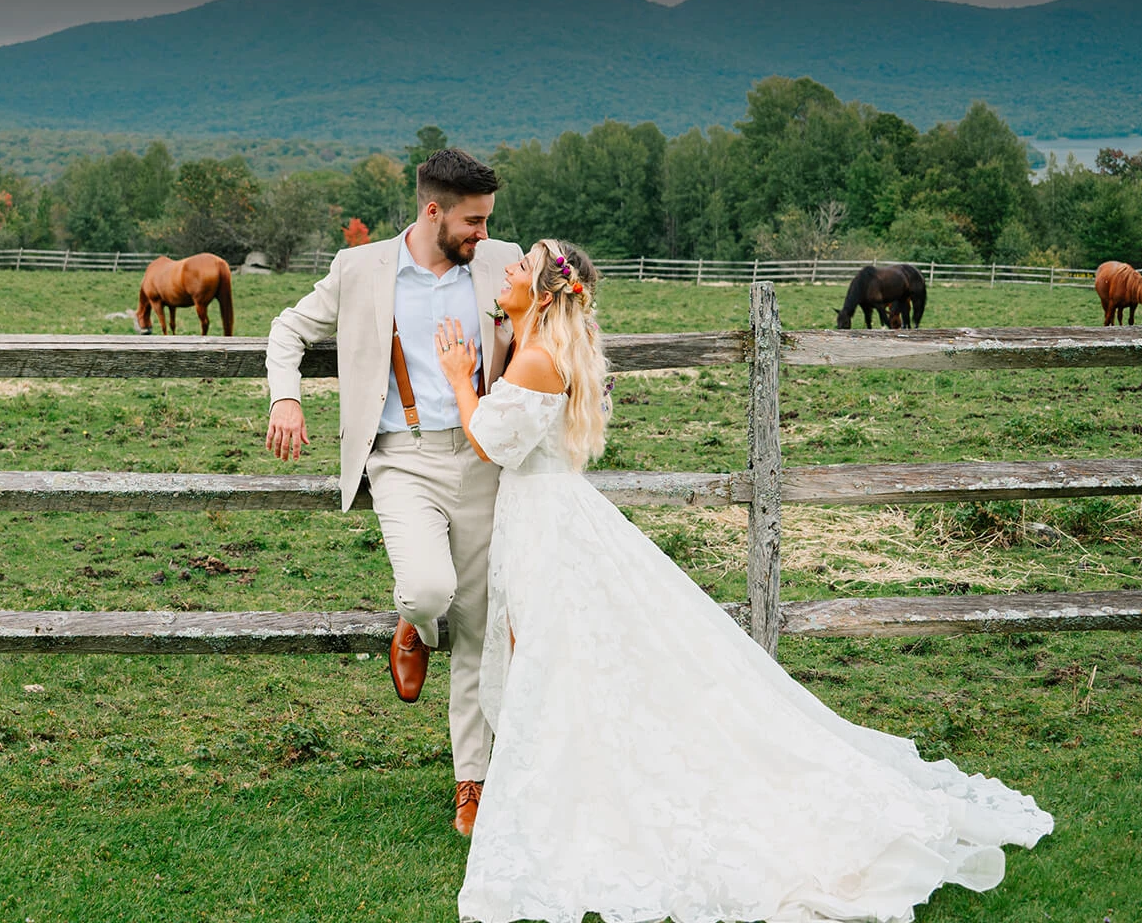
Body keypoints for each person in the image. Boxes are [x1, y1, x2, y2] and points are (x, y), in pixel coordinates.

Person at [435, 240, 1053, 923]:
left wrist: (460, 377)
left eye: (522, 266)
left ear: (547, 293)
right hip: (552, 515)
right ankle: (565, 783)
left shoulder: (537, 358)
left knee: (552, 654)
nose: (510, 271)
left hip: (546, 522)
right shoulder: (546, 348)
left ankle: (571, 794)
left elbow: (494, 443)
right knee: (559, 656)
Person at [264, 149, 523, 836]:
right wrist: (286, 398)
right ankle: (413, 620)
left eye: (488, 220)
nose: (482, 233)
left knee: (479, 624)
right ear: (432, 211)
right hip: (402, 459)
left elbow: (546, 331)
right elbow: (288, 328)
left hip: (484, 460)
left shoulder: (502, 261)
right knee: (428, 593)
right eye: (472, 221)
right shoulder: (361, 270)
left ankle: (473, 781)